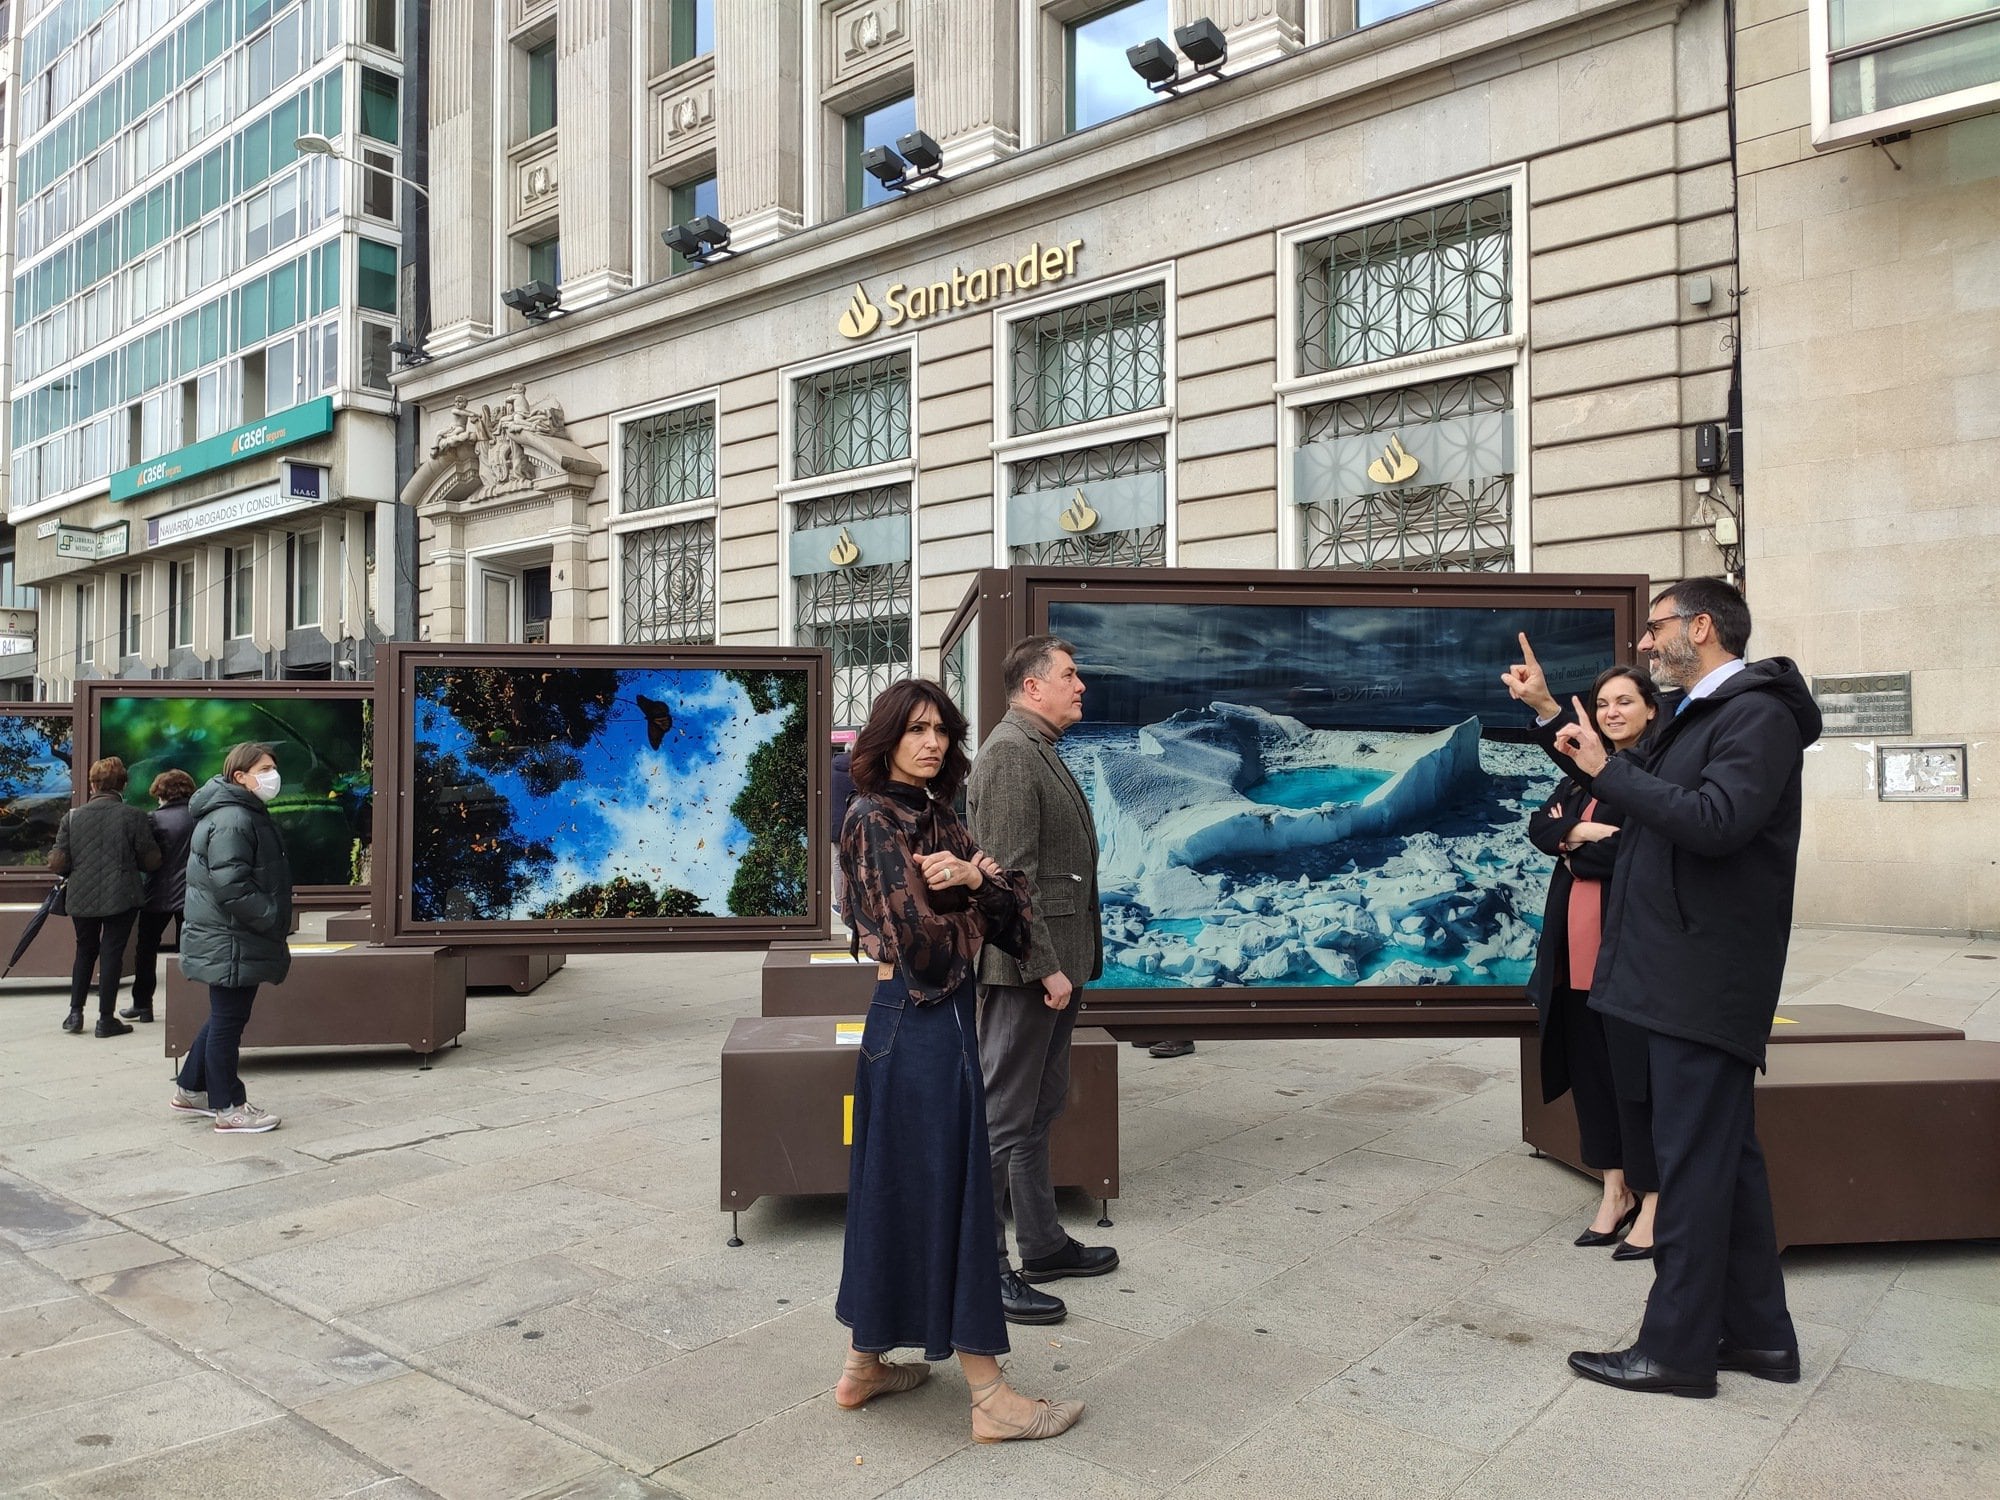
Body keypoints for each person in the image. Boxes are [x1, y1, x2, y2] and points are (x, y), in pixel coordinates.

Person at [1550, 578, 1821, 1398]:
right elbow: (1658, 805)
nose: (1643, 643)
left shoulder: (1755, 714)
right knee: (1726, 1163)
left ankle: (1674, 1350)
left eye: (1656, 627)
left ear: (1701, 628)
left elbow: (1715, 822)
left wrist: (1609, 773)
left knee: (1695, 1170)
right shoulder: (1709, 713)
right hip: (1679, 972)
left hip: (1701, 977)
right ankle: (1762, 1339)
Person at [832, 679, 1083, 1443]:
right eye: (915, 730)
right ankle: (990, 1396)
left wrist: (973, 880)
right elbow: (927, 953)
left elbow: (1019, 910)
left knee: (901, 1189)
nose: (932, 742)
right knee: (955, 1192)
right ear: (886, 740)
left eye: (941, 728)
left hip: (931, 1025)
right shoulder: (875, 819)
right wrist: (981, 902)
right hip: (917, 1024)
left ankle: (863, 1365)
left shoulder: (938, 816)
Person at [967, 635, 1118, 1327]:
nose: (1080, 684)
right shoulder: (1007, 755)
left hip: (1054, 967)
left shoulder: (1037, 748)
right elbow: (1008, 877)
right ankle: (983, 1267)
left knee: (1038, 1108)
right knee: (1003, 1119)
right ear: (1033, 687)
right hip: (1028, 971)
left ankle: (1042, 1243)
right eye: (1068, 674)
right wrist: (1046, 966)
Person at [1514, 660, 1662, 1258]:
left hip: (1628, 954)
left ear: (1651, 709)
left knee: (1635, 1078)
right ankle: (1615, 1188)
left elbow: (1644, 852)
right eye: (1604, 704)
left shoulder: (1656, 772)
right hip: (1574, 953)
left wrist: (1578, 843)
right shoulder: (1581, 776)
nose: (1612, 712)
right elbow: (1540, 829)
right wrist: (1581, 835)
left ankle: (1655, 1199)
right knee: (1594, 1075)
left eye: (1625, 701)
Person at [171, 742, 294, 1134]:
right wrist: (271, 916)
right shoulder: (233, 818)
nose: (272, 775)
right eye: (264, 768)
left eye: (272, 767)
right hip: (233, 936)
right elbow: (232, 884)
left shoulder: (238, 813)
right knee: (228, 1021)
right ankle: (229, 1106)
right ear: (239, 776)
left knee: (225, 1015)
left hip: (232, 934)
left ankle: (192, 1088)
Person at [48, 756, 161, 1037]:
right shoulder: (133, 816)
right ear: (123, 784)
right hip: (121, 894)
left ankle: (75, 1013)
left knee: (84, 950)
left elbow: (59, 863)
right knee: (112, 953)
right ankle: (105, 1019)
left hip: (81, 896)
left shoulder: (71, 817)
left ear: (92, 784)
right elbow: (151, 862)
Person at [121, 769, 196, 1024]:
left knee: (146, 950)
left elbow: (146, 858)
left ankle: (142, 1005)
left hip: (157, 894)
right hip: (193, 895)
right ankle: (188, 1004)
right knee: (188, 949)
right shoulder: (199, 817)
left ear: (161, 793)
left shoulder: (153, 820)